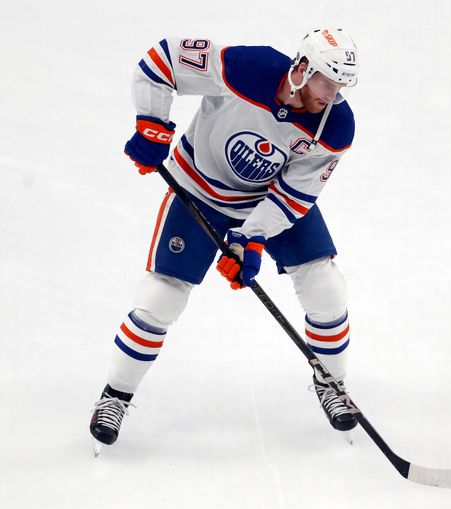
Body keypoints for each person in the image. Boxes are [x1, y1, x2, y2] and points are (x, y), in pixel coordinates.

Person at [90, 28, 360, 449]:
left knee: (326, 289)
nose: (335, 92)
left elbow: (294, 195)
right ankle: (115, 395)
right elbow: (162, 62)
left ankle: (332, 384)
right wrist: (151, 124)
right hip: (198, 188)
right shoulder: (246, 67)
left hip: (267, 201)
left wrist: (248, 239)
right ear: (302, 68)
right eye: (328, 80)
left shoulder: (335, 125)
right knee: (160, 297)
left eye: (342, 84)